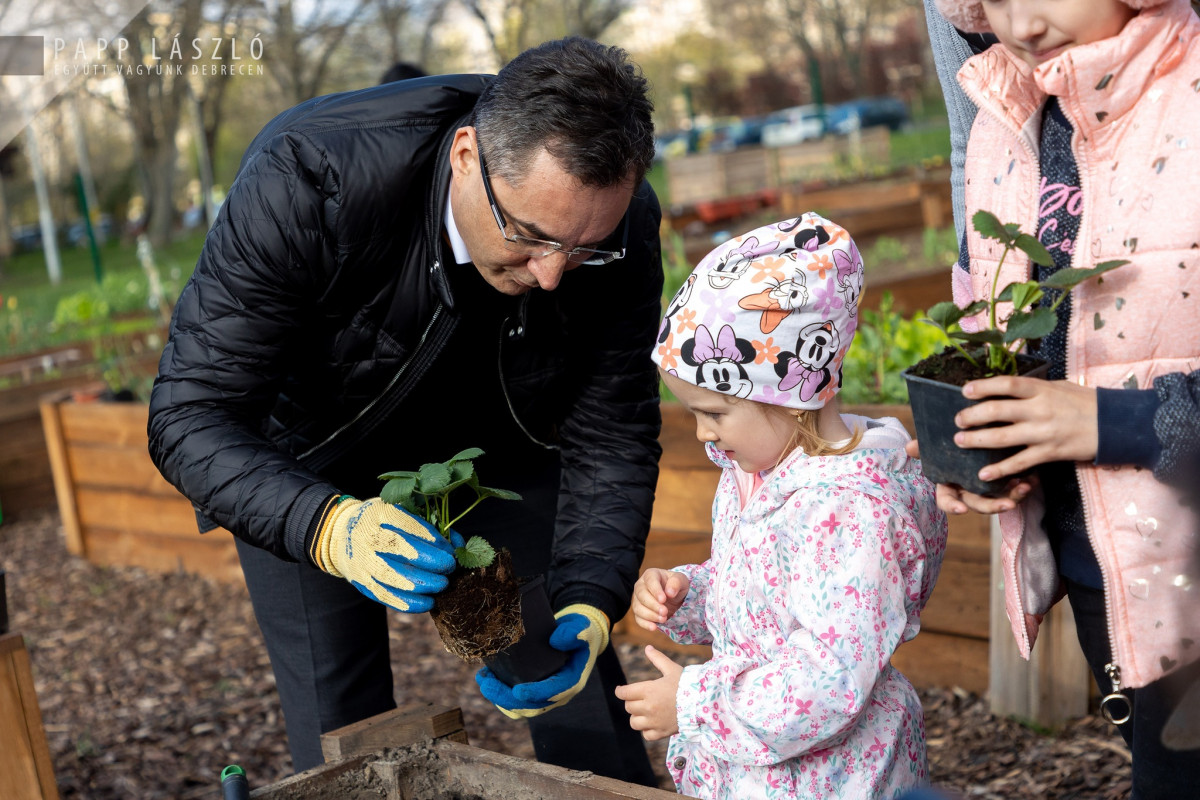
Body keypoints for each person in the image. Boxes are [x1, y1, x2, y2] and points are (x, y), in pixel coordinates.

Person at [147, 36, 662, 785]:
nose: (553, 275)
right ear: (465, 157)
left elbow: (612, 427)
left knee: (569, 676)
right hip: (302, 456)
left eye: (582, 250)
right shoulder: (308, 175)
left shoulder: (613, 217)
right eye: (529, 236)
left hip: (494, 449)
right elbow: (188, 416)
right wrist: (327, 526)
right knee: (344, 736)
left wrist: (592, 596)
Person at [923, 1, 1200, 796]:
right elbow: (996, 317)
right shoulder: (1006, 117)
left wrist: (1107, 422)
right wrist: (981, 437)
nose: (1023, 22)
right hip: (1093, 559)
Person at [613, 214, 949, 799]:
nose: (701, 435)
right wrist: (690, 594)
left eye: (713, 413)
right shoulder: (757, 469)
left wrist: (694, 703)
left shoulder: (848, 511)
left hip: (834, 777)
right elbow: (768, 592)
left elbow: (829, 678)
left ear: (790, 399)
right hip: (767, 768)